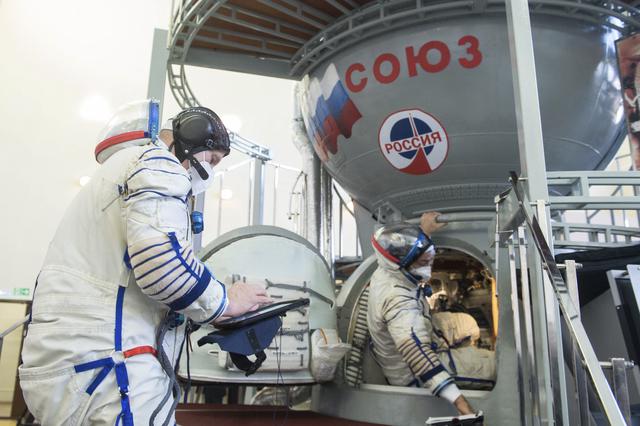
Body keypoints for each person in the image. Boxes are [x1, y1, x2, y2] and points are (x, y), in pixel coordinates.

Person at [19, 100, 271, 425]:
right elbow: (162, 268)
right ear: (191, 137)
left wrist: (201, 315)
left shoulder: (122, 172)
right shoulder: (158, 164)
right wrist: (226, 301)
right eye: (212, 159)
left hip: (77, 363)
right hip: (107, 363)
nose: (210, 172)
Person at [367, 212, 495, 416]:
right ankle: (466, 361)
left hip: (425, 329)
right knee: (493, 364)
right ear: (403, 265)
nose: (430, 263)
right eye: (423, 262)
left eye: (429, 257)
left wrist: (424, 232)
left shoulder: (388, 268)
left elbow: (410, 249)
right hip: (413, 371)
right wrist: (462, 405)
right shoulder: (397, 300)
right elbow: (417, 354)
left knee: (470, 324)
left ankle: (462, 351)